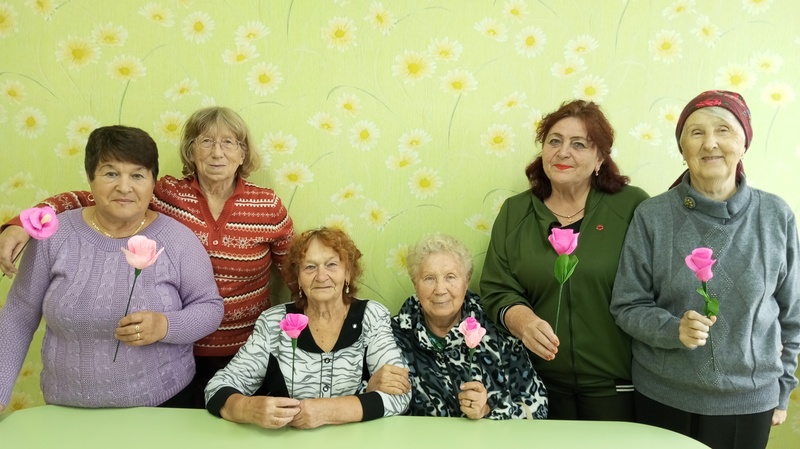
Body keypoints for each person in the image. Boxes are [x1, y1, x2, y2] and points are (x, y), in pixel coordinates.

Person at [0, 106, 294, 407]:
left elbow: (294, 270)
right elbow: (97, 198)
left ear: (243, 153)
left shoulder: (267, 205)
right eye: (206, 141)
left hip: (246, 348)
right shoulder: (167, 194)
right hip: (179, 351)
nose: (217, 152)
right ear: (191, 151)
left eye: (229, 143)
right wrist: (24, 223)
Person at [610, 90, 800, 449]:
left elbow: (793, 314)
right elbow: (626, 305)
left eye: (723, 130)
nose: (710, 143)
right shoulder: (652, 216)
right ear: (682, 149)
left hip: (750, 402)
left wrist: (784, 386)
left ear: (744, 143)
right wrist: (674, 330)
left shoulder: (776, 216)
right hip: (663, 397)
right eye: (696, 132)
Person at [479, 99, 649, 421]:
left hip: (617, 387)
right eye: (554, 141)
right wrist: (523, 322)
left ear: (600, 158)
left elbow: (655, 284)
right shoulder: (515, 212)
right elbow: (497, 289)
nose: (563, 152)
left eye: (579, 144)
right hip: (534, 387)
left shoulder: (631, 206)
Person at [204, 227, 410, 428]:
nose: (321, 276)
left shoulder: (371, 316)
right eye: (310, 267)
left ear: (347, 273)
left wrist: (327, 411)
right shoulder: (274, 322)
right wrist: (249, 409)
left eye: (331, 265)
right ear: (298, 279)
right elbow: (216, 388)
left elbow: (400, 396)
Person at [368, 234, 548, 419]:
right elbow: (358, 398)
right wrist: (370, 389)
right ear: (415, 284)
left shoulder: (496, 327)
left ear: (466, 281)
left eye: (450, 277)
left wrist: (488, 411)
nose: (440, 289)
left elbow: (538, 407)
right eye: (429, 278)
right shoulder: (391, 334)